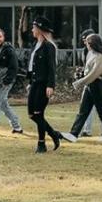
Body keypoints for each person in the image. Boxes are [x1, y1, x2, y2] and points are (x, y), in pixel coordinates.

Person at [25, 18, 75, 153]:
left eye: (34, 27)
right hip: (35, 83)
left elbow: (52, 68)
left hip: (43, 84)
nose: (32, 30)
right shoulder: (35, 45)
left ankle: (41, 144)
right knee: (32, 115)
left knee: (38, 113)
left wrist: (50, 85)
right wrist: (30, 82)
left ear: (40, 29)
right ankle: (54, 134)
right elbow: (32, 65)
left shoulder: (49, 46)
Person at [69, 32, 102, 140]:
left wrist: (79, 83)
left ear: (93, 44)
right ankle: (73, 134)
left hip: (97, 85)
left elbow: (94, 74)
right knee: (83, 111)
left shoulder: (100, 57)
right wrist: (81, 74)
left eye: (88, 42)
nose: (86, 44)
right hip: (89, 85)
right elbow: (88, 70)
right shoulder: (90, 53)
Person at [77, 28, 101, 136]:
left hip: (97, 82)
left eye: (86, 40)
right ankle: (87, 130)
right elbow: (85, 66)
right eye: (83, 40)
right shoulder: (84, 51)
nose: (84, 42)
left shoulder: (100, 51)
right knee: (86, 106)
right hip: (88, 82)